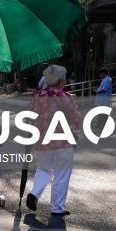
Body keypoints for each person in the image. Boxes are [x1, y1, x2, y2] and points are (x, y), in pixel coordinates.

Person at [24, 64, 81, 216]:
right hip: (62, 142)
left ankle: (34, 193)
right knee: (61, 174)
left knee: (44, 169)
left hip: (42, 142)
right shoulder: (65, 97)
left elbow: (27, 118)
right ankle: (57, 207)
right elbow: (76, 120)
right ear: (61, 81)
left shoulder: (38, 97)